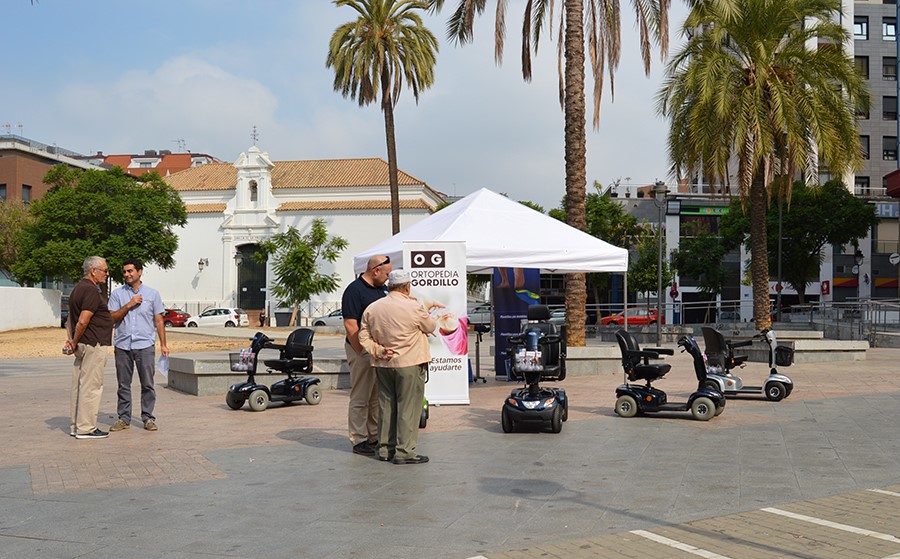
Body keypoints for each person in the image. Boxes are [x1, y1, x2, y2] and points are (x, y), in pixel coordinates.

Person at [359, 270, 436, 465]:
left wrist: (378, 350)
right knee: (408, 407)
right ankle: (404, 451)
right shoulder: (413, 306)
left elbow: (363, 337)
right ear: (407, 287)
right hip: (409, 363)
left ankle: (385, 449)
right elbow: (430, 327)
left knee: (386, 406)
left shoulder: (373, 308)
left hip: (383, 362)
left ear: (389, 286)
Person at [108, 258, 169, 432]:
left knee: (147, 384)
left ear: (139, 272)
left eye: (130, 271)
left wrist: (163, 344)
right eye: (125, 271)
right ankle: (124, 418)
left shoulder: (152, 294)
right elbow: (112, 318)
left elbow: (159, 320)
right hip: (122, 346)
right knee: (123, 384)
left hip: (145, 345)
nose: (126, 274)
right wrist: (128, 305)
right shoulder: (117, 295)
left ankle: (148, 417)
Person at [342, 254, 392, 456]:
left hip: (378, 351)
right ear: (376, 270)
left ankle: (374, 436)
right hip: (361, 350)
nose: (388, 277)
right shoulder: (354, 290)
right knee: (361, 396)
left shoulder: (382, 290)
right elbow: (350, 324)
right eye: (387, 273)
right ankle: (358, 439)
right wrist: (361, 351)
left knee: (375, 397)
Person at [65, 256, 115, 439]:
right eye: (105, 270)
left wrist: (71, 341)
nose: (107, 274)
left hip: (83, 345)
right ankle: (86, 428)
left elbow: (70, 319)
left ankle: (76, 425)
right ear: (94, 271)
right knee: (91, 386)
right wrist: (73, 340)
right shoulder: (91, 291)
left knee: (79, 385)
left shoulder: (77, 289)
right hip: (94, 344)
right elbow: (82, 321)